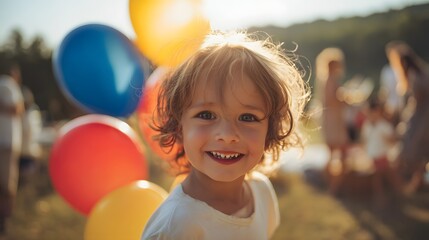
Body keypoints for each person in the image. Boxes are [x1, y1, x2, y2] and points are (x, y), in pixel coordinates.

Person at [141, 31, 310, 239]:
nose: (228, 135)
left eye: (248, 117)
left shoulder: (262, 194)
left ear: (270, 130)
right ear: (178, 126)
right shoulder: (176, 226)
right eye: (206, 115)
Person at [388, 42, 429, 195]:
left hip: (420, 122)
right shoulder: (422, 73)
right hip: (423, 121)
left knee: (409, 153)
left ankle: (400, 187)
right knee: (421, 155)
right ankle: (415, 185)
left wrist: (403, 124)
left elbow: (414, 105)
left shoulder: (414, 77)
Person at [315, 48, 350, 195]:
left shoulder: (326, 80)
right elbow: (333, 101)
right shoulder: (331, 81)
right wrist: (347, 100)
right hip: (334, 122)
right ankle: (333, 188)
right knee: (341, 154)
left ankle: (330, 185)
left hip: (331, 121)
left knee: (334, 154)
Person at [0, 62, 24, 235]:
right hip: (6, 142)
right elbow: (17, 109)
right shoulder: (8, 84)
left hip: (7, 141)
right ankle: (4, 221)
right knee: (7, 184)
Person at [361, 97, 397, 205]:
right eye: (371, 113)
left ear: (380, 112)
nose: (373, 115)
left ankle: (389, 193)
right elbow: (364, 140)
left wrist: (388, 139)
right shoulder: (367, 126)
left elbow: (392, 140)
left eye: (375, 112)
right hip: (373, 157)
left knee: (385, 175)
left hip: (383, 156)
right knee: (378, 176)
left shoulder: (384, 126)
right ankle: (380, 195)